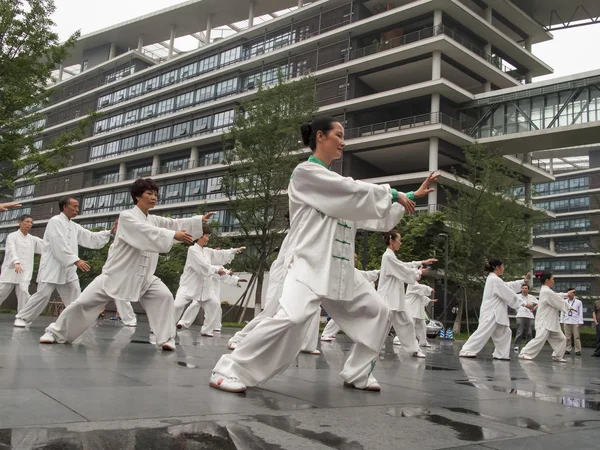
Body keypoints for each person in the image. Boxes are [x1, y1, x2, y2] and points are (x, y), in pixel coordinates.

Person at [210, 116, 423, 393]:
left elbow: (375, 219)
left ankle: (358, 373)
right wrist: (391, 193)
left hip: (341, 272)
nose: (343, 142)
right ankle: (228, 369)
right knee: (293, 319)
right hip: (309, 266)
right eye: (339, 135)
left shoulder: (341, 190)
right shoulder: (305, 174)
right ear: (320, 137)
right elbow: (350, 191)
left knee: (379, 313)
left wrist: (409, 197)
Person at [37, 178, 214, 350]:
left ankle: (166, 339)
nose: (154, 197)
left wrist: (198, 222)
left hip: (144, 277)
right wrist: (172, 235)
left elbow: (173, 223)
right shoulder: (127, 217)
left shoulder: (154, 220)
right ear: (137, 196)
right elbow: (146, 232)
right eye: (149, 193)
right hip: (116, 274)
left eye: (155, 194)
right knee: (83, 303)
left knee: (164, 297)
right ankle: (55, 332)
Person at [13, 197, 119, 327]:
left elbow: (90, 237)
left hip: (68, 269)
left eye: (77, 206)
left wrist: (109, 232)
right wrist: (75, 260)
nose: (77, 209)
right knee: (42, 295)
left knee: (76, 296)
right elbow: (58, 243)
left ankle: (79, 320)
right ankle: (22, 317)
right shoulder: (55, 221)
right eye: (74, 206)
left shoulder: (74, 226)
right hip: (52, 267)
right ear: (64, 207)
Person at [173, 230, 245, 336]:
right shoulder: (192, 250)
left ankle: (207, 330)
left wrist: (235, 251)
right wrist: (218, 270)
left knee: (214, 304)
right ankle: (164, 327)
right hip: (189, 286)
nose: (208, 238)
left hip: (204, 288)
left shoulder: (207, 251)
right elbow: (201, 266)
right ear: (199, 236)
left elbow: (220, 254)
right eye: (206, 235)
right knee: (177, 305)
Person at [459, 259, 533, 360]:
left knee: (505, 333)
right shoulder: (494, 279)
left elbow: (507, 286)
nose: (504, 268)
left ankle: (501, 354)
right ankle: (467, 350)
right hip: (491, 312)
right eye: (502, 266)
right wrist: (524, 304)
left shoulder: (494, 279)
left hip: (496, 312)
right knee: (483, 332)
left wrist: (522, 282)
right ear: (497, 267)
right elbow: (508, 293)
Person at [378, 230, 436, 357]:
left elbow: (404, 266)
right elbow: (403, 270)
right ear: (392, 241)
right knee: (381, 326)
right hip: (388, 299)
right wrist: (418, 272)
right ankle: (367, 345)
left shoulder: (391, 256)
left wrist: (421, 263)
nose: (401, 243)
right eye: (399, 241)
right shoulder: (388, 256)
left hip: (394, 300)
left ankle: (414, 350)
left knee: (407, 323)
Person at [321, 256, 379, 342]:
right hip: (344, 298)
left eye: (356, 258)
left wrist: (377, 273)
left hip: (350, 298)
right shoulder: (344, 270)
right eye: (354, 258)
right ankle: (326, 334)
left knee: (355, 317)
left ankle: (359, 336)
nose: (355, 259)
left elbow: (366, 275)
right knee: (340, 316)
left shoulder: (353, 271)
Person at [519, 271, 571, 362]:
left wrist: (566, 295)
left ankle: (557, 356)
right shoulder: (546, 291)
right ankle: (524, 353)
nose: (553, 281)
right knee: (539, 339)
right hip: (544, 321)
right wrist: (569, 307)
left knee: (561, 339)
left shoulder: (546, 290)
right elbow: (558, 301)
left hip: (550, 321)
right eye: (552, 279)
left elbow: (555, 296)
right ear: (547, 280)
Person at [177, 265, 246, 330]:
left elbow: (221, 275)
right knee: (195, 304)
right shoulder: (203, 258)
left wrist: (235, 278)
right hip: (202, 285)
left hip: (214, 287)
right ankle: (183, 322)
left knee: (216, 305)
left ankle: (216, 325)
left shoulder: (217, 262)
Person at [0, 214, 45, 312]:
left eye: (31, 222)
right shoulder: (12, 236)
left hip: (24, 272)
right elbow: (11, 250)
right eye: (27, 221)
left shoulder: (33, 239)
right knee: (1, 291)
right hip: (10, 270)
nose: (29, 224)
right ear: (20, 222)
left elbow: (47, 246)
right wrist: (16, 262)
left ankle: (22, 316)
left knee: (24, 292)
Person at [405, 281, 437, 347]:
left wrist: (430, 300)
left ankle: (423, 342)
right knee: (410, 326)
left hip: (418, 311)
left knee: (423, 326)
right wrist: (429, 289)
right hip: (411, 310)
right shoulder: (411, 284)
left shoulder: (417, 287)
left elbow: (422, 297)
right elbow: (420, 288)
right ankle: (400, 340)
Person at [513, 284, 538, 352]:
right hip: (520, 315)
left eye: (526, 288)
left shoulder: (531, 297)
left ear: (528, 289)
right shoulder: (518, 296)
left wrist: (534, 308)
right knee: (519, 331)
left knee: (529, 332)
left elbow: (539, 303)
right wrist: (516, 309)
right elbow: (512, 302)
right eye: (523, 288)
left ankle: (528, 346)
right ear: (521, 289)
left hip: (530, 316)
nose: (524, 289)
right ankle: (517, 345)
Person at [560, 288, 584, 356]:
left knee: (576, 337)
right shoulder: (564, 301)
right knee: (567, 337)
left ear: (574, 294)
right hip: (567, 320)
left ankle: (578, 350)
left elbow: (580, 312)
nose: (570, 294)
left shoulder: (578, 302)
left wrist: (580, 321)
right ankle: (567, 349)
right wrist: (561, 320)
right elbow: (562, 311)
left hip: (575, 321)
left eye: (571, 293)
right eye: (569, 293)